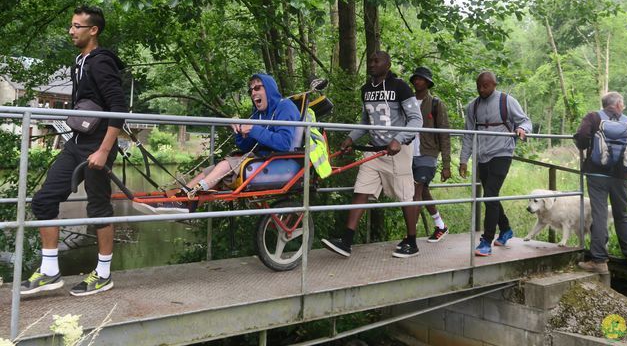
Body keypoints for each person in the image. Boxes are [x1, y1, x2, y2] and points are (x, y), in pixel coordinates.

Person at [21, 6, 127, 297]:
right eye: (71, 26)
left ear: (93, 30)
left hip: (98, 146)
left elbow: (119, 109)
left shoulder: (101, 63)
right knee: (44, 200)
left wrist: (104, 151)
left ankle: (103, 274)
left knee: (98, 208)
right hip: (77, 144)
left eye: (77, 26)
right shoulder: (78, 61)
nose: (71, 31)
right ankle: (50, 269)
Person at [133, 73, 301, 214]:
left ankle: (187, 200)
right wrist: (241, 132)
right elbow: (246, 146)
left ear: (269, 89)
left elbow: (284, 143)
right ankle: (179, 198)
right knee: (210, 170)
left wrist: (253, 129)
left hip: (278, 161)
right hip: (260, 159)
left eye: (257, 87)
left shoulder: (285, 106)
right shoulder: (258, 113)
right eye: (251, 90)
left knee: (226, 164)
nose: (253, 93)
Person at [321, 51, 422, 258]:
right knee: (361, 189)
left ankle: (412, 241)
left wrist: (399, 139)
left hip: (398, 151)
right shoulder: (366, 89)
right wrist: (351, 138)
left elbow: (416, 119)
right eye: (370, 61)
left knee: (405, 196)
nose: (372, 64)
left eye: (377, 61)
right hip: (374, 150)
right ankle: (346, 241)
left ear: (388, 64)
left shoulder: (400, 87)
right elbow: (366, 122)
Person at [459, 71, 531, 257]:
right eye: (479, 86)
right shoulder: (473, 106)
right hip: (482, 155)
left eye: (485, 86)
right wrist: (463, 160)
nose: (482, 90)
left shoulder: (506, 101)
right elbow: (468, 134)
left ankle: (486, 240)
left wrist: (522, 129)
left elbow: (524, 120)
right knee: (492, 195)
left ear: (494, 84)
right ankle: (505, 229)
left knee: (489, 195)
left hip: (502, 153)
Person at [574, 91, 627, 273]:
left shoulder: (593, 117)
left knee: (600, 214)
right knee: (621, 214)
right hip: (620, 177)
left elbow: (582, 140)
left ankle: (599, 261)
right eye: (623, 103)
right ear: (618, 104)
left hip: (597, 175)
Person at [408, 66, 451, 243]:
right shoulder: (408, 102)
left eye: (421, 79)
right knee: (423, 190)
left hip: (428, 154)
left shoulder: (435, 103)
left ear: (427, 82)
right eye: (415, 78)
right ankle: (440, 226)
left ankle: (410, 236)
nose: (417, 81)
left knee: (416, 191)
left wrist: (446, 165)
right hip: (409, 153)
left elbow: (444, 133)